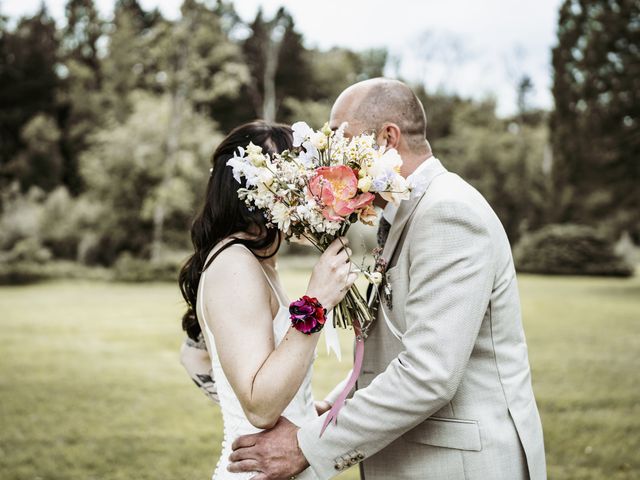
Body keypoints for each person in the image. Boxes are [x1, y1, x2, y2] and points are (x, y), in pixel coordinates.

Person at [227, 79, 547, 480]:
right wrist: (341, 401)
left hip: (460, 466)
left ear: (388, 138)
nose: (332, 161)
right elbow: (399, 342)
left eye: (343, 141)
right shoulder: (403, 213)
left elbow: (429, 372)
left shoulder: (448, 213)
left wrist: (306, 445)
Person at [178, 120, 358, 480]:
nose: (309, 190)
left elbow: (193, 353)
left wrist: (307, 412)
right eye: (296, 179)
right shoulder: (234, 264)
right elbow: (260, 407)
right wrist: (316, 303)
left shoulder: (257, 263)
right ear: (257, 190)